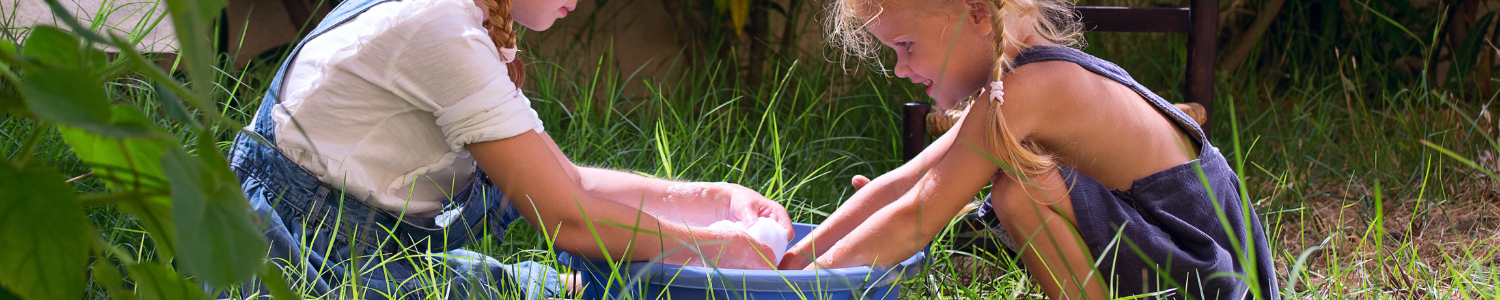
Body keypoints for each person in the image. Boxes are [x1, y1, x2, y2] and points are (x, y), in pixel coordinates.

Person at [228, 0, 792, 298]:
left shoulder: (459, 20)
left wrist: (715, 199)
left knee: (589, 288)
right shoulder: (437, 26)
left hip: (369, 251)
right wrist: (716, 247)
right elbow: (567, 218)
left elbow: (566, 182)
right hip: (301, 268)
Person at [776, 0, 1278, 298]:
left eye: (906, 45)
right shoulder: (1017, 84)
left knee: (1020, 191)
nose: (901, 68)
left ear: (976, 12)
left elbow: (918, 213)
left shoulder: (1030, 90)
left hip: (1208, 270)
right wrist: (795, 260)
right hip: (1187, 252)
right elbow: (907, 180)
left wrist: (796, 292)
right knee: (1018, 184)